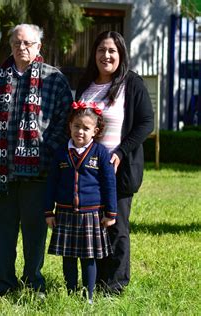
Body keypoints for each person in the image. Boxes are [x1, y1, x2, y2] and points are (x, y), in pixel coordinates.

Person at [0, 23, 73, 299]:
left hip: (38, 171)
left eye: (28, 43)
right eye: (18, 43)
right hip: (1, 168)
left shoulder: (54, 79)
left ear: (38, 46)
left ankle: (34, 282)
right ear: (10, 45)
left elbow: (66, 122)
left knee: (34, 230)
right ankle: (2, 281)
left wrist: (46, 150)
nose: (22, 48)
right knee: (0, 229)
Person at [75, 31, 154, 294]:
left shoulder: (131, 83)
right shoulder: (85, 85)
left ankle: (116, 285)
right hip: (86, 171)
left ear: (120, 55)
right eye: (101, 50)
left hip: (118, 170)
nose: (106, 56)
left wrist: (120, 152)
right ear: (94, 54)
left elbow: (145, 123)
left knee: (116, 227)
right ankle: (95, 282)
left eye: (112, 51)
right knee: (93, 227)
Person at [44, 102, 117, 304]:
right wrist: (48, 211)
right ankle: (70, 291)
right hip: (65, 212)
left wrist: (111, 213)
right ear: (70, 126)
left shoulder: (100, 153)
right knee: (68, 256)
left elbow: (109, 184)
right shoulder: (61, 153)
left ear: (96, 130)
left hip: (91, 214)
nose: (80, 132)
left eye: (86, 128)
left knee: (88, 257)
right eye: (77, 126)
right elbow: (51, 183)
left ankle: (89, 296)